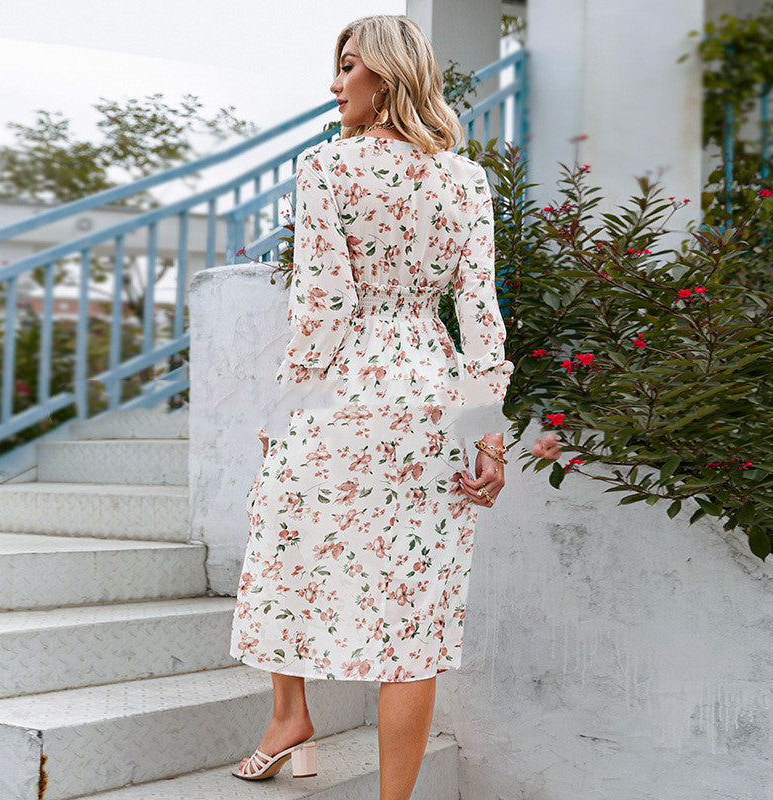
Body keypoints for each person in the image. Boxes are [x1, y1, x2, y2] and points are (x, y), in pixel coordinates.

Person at [227, 14, 561, 800]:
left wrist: (289, 406)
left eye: (347, 67)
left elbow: (322, 304)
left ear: (383, 77)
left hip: (347, 386)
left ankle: (289, 718)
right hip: (435, 394)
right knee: (413, 618)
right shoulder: (465, 178)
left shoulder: (328, 167)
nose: (334, 84)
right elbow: (480, 315)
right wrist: (491, 440)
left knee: (281, 543)